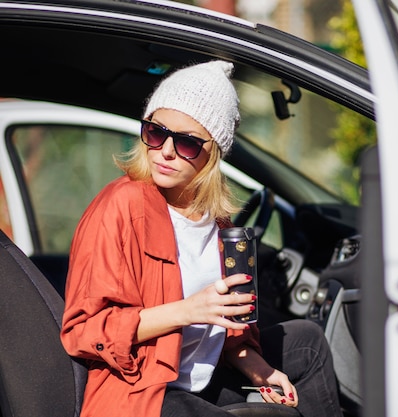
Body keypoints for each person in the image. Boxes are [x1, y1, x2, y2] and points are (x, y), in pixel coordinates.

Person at [60, 61, 343, 417]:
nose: (165, 151)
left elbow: (225, 332)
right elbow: (82, 331)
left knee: (309, 343)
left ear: (214, 152)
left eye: (187, 144)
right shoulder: (120, 205)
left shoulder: (220, 222)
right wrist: (187, 310)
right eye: (156, 132)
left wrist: (258, 369)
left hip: (202, 378)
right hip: (144, 391)